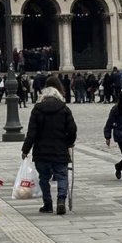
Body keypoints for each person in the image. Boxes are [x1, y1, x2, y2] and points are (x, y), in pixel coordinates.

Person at [21, 76, 77, 215]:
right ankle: (61, 201)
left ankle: (47, 204)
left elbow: (32, 132)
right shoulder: (64, 109)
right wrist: (69, 142)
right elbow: (72, 129)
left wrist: (25, 149)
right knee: (62, 176)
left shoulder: (37, 109)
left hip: (41, 150)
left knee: (43, 178)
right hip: (60, 149)